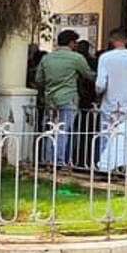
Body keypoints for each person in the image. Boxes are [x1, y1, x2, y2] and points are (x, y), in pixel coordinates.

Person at [34, 29, 96, 165]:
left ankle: (47, 159)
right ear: (71, 43)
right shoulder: (76, 58)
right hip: (69, 98)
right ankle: (59, 160)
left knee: (50, 129)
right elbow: (89, 75)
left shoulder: (47, 58)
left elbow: (38, 79)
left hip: (50, 99)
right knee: (64, 130)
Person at [95, 28, 127, 118]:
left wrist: (98, 93)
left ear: (111, 40)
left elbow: (100, 85)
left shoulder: (105, 58)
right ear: (126, 40)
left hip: (109, 107)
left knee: (108, 127)